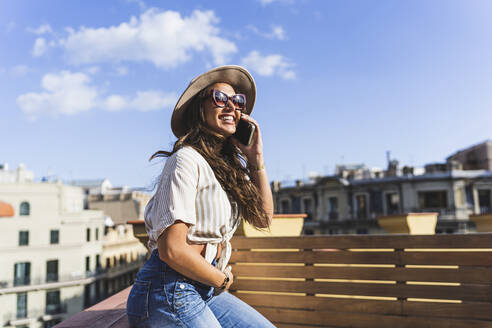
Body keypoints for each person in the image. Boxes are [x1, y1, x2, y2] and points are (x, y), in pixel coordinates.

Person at [126, 65, 276, 328]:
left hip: (204, 290)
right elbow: (172, 250)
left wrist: (256, 160)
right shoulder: (185, 160)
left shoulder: (225, 170)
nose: (231, 106)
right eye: (220, 98)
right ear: (200, 108)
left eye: (237, 101)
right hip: (168, 290)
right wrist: (223, 280)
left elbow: (263, 218)